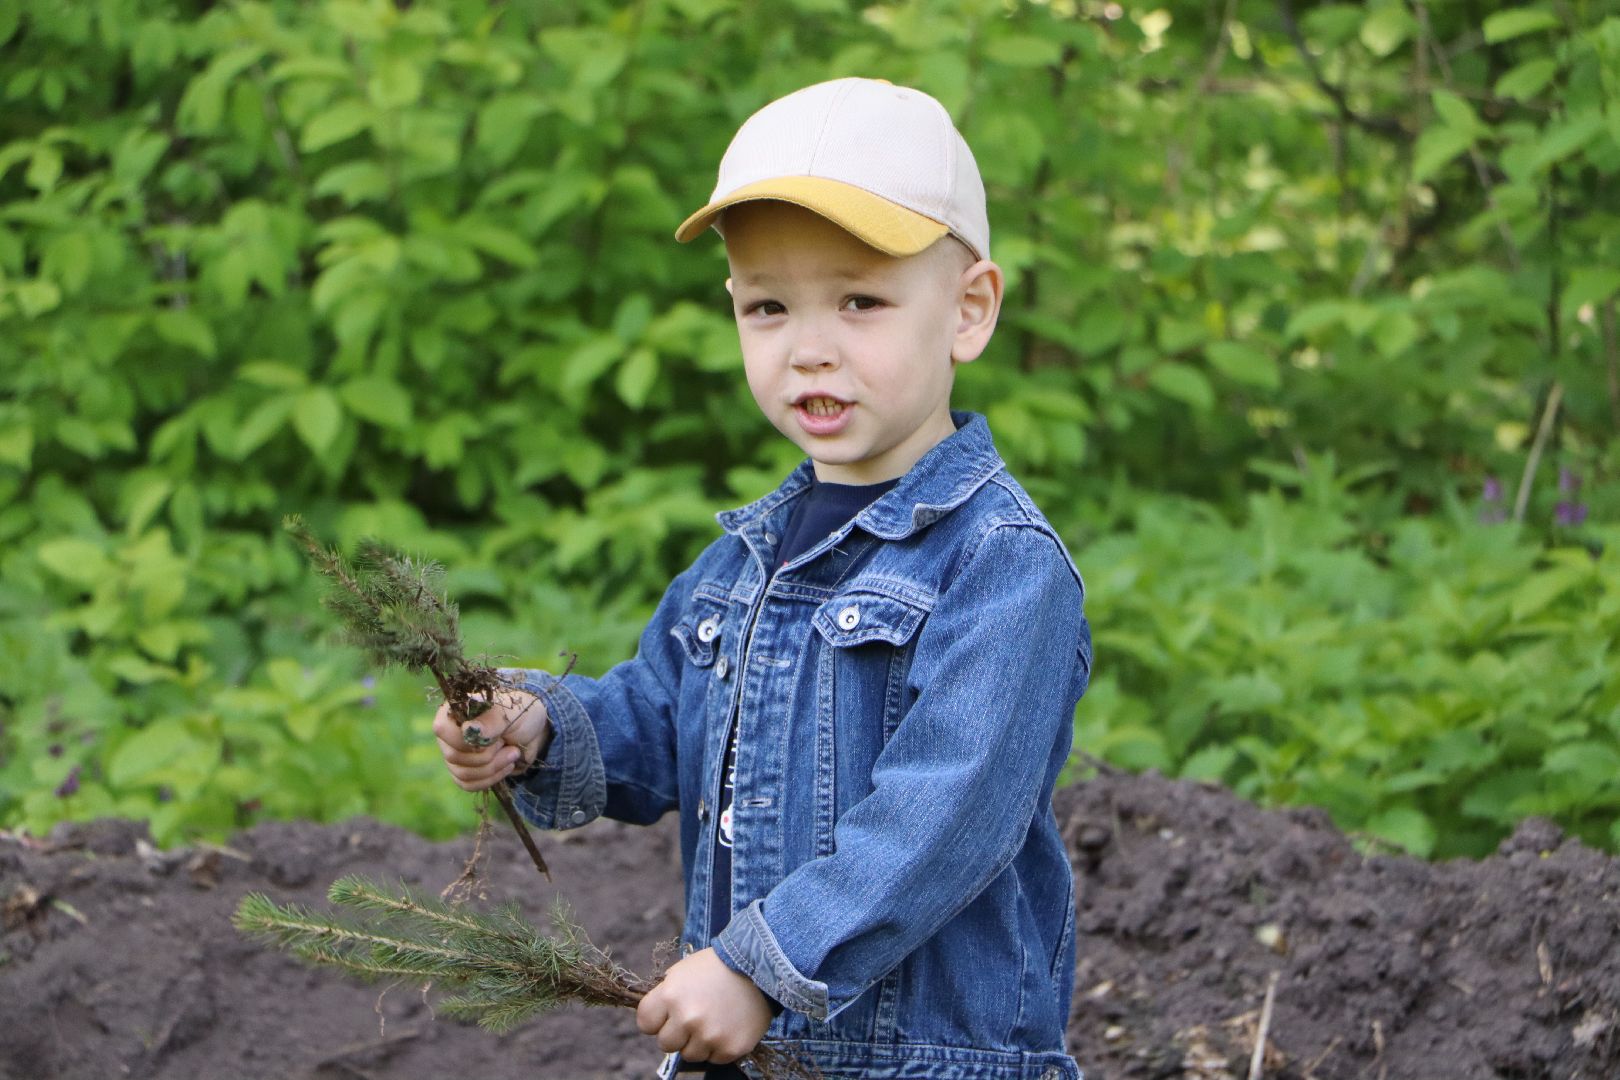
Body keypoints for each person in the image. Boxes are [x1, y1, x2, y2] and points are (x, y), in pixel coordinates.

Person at [433, 77, 1092, 1080]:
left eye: (860, 301)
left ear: (969, 309)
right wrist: (540, 725)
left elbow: (943, 818)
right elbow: (660, 723)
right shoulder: (742, 561)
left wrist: (761, 968)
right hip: (753, 1052)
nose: (809, 348)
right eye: (768, 307)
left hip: (919, 1061)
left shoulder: (999, 566)